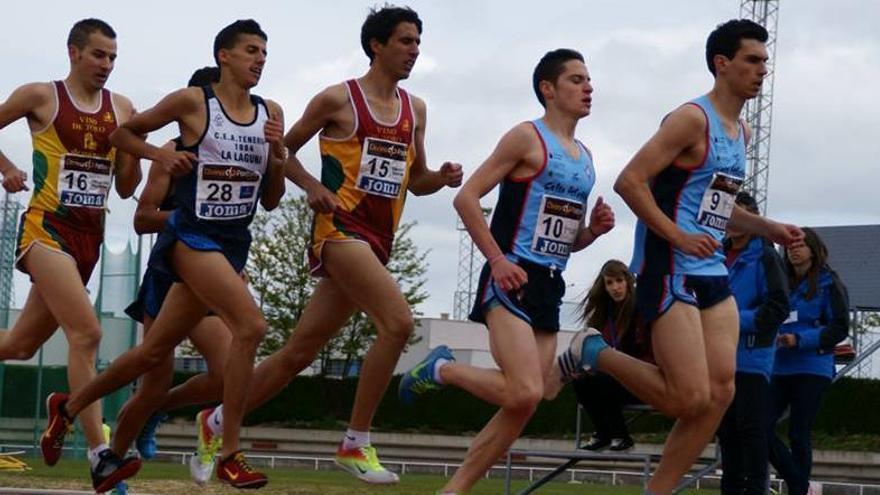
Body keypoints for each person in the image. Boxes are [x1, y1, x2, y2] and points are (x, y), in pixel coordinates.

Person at [188, 5, 462, 486]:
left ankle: (215, 421)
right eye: (404, 41)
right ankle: (355, 442)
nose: (414, 51)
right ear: (376, 46)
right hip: (339, 232)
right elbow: (282, 148)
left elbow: (416, 181)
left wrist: (440, 178)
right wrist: (311, 185)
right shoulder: (338, 99)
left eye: (418, 42)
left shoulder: (415, 110)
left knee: (296, 355)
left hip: (378, 240)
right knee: (397, 324)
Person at [558, 19, 803, 494]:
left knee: (720, 394)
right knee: (686, 398)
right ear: (722, 63)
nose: (762, 71)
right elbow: (630, 181)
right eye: (752, 61)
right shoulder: (691, 119)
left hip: (711, 272)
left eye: (765, 62)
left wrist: (765, 227)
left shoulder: (741, 132)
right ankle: (593, 351)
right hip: (669, 268)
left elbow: (718, 205)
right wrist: (678, 235)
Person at [40, 19, 286, 489]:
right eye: (251, 50)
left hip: (233, 245)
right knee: (251, 327)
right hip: (190, 241)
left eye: (265, 53)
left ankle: (67, 408)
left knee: (151, 356)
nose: (260, 59)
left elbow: (271, 198)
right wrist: (160, 157)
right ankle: (230, 451)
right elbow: (122, 137)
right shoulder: (192, 102)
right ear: (224, 56)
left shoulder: (269, 112)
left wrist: (277, 155)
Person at [399, 48, 615, 494]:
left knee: (529, 401)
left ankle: (453, 489)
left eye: (589, 80)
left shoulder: (586, 158)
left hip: (549, 285)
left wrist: (591, 233)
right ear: (548, 90)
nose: (587, 87)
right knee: (523, 392)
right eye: (576, 80)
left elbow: (562, 236)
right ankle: (444, 370)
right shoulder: (526, 138)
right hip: (511, 275)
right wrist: (497, 260)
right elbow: (466, 198)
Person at [0, 18, 141, 493]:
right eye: (99, 55)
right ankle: (101, 456)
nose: (107, 65)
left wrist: (132, 153)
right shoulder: (40, 96)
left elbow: (125, 187)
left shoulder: (122, 109)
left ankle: (65, 406)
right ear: (74, 52)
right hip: (46, 231)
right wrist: (7, 167)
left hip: (89, 239)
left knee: (19, 346)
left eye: (113, 58)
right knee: (88, 333)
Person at [110, 66, 234, 486]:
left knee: (226, 374)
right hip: (171, 276)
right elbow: (143, 218)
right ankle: (114, 461)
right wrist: (188, 219)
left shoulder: (240, 149)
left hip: (214, 278)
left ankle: (163, 408)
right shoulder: (171, 153)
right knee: (151, 383)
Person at [717, 191, 789, 495]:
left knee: (751, 429)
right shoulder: (715, 253)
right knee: (726, 432)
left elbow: (778, 306)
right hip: (720, 355)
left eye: (739, 213)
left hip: (752, 356)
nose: (732, 221)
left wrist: (731, 320)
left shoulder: (766, 256)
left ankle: (757, 487)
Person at [769, 227, 849, 495]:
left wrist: (801, 340)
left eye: (800, 245)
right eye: (790, 245)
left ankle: (798, 489)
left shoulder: (829, 282)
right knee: (758, 427)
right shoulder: (780, 281)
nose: (793, 249)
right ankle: (801, 486)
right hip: (778, 366)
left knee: (798, 433)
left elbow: (839, 328)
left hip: (812, 367)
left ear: (813, 250)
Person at [571, 260, 648, 452]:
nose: (615, 287)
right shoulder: (604, 315)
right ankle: (603, 434)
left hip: (645, 378)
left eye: (619, 281)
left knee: (605, 381)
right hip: (618, 378)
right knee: (580, 380)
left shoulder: (642, 308)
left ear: (628, 281)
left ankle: (621, 436)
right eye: (609, 283)